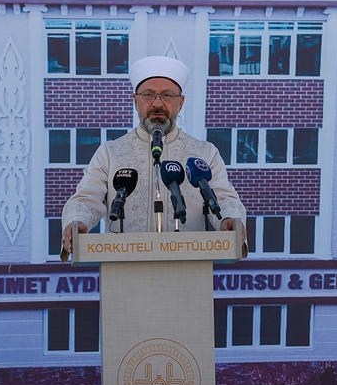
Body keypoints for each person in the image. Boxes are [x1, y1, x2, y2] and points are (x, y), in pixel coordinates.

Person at [61, 55, 246, 255]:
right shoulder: (110, 152)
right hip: (124, 264)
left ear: (181, 102)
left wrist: (230, 219)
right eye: (148, 95)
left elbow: (224, 199)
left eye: (167, 95)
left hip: (189, 263)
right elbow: (87, 198)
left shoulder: (204, 152)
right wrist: (77, 221)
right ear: (135, 101)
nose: (157, 103)